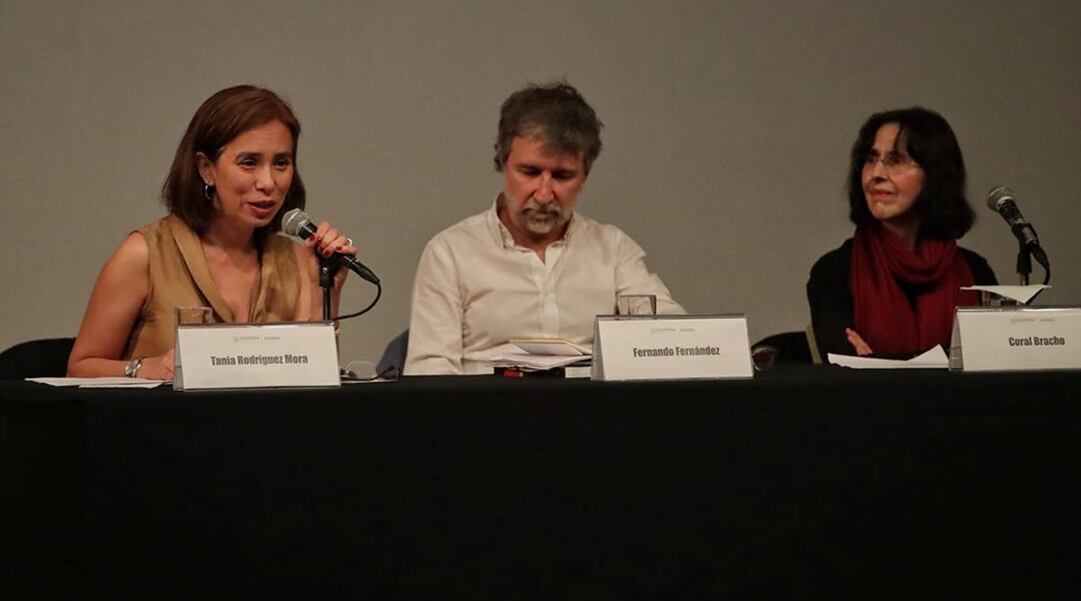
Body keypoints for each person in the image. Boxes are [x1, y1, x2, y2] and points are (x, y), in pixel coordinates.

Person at [67, 85, 357, 380]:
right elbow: (80, 367)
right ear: (206, 169)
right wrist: (144, 367)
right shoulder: (145, 254)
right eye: (249, 163)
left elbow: (312, 382)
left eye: (281, 163)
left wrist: (327, 292)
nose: (268, 182)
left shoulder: (297, 260)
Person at [404, 82, 684, 375]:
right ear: (503, 163)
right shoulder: (450, 253)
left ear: (584, 177)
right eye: (530, 172)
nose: (544, 194)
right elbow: (430, 374)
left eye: (562, 176)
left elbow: (670, 338)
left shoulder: (613, 250)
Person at [807, 107, 996, 358]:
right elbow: (848, 372)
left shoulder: (976, 273)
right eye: (871, 159)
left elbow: (993, 367)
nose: (876, 174)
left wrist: (880, 363)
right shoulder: (834, 272)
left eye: (895, 160)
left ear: (934, 174)